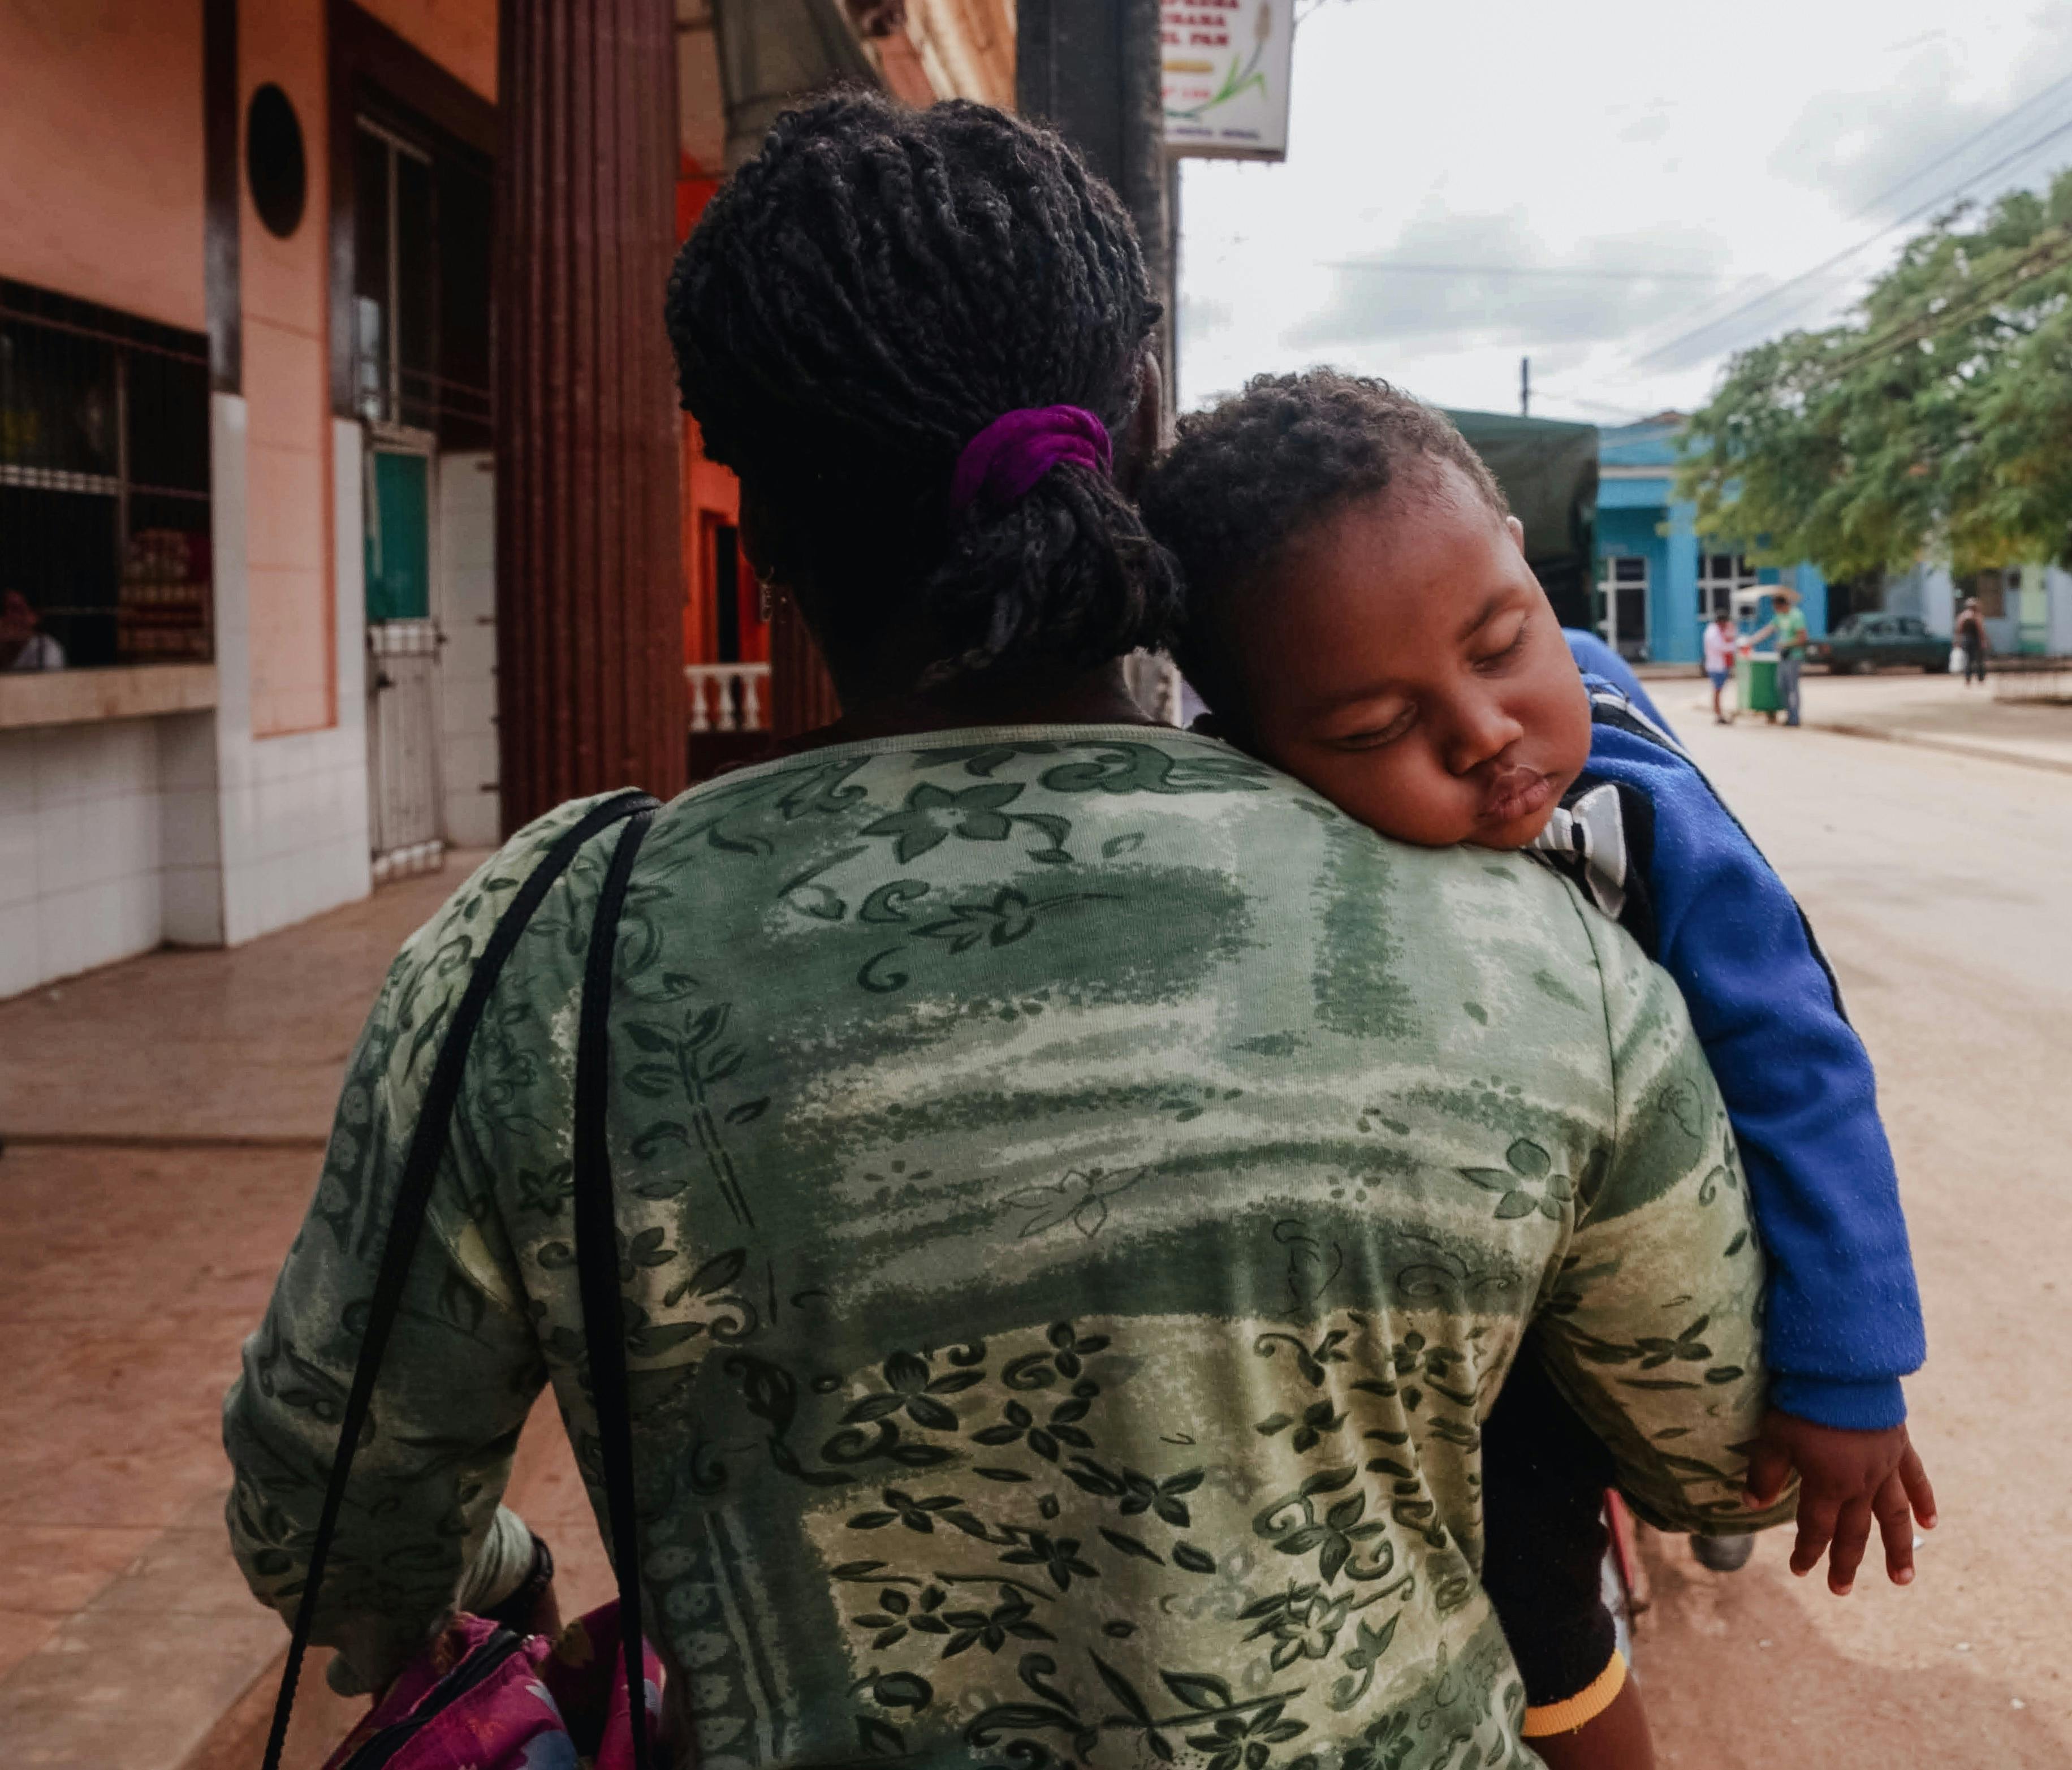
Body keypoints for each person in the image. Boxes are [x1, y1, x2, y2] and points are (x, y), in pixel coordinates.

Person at [223, 97, 1784, 1770]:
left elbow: (333, 1510)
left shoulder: (544, 958)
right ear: (1137, 427)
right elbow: (1719, 1454)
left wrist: (508, 1580)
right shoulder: (1519, 946)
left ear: (756, 528)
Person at [1141, 370, 1933, 1769]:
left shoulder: (1647, 808)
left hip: (1614, 1283)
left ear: (1516, 547)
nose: (1482, 733)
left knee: (1530, 1573)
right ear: (1255, 754)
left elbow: (1798, 1059)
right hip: (1408, 1285)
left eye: (1502, 644)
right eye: (1375, 730)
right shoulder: (1247, 838)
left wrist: (1848, 1369)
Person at [1746, 585, 1809, 725]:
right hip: (1783, 656)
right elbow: (1768, 630)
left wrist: (1786, 645)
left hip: (1793, 656)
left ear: (1782, 605)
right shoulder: (1780, 617)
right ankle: (1789, 714)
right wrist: (1751, 641)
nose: (1775, 609)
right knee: (1782, 686)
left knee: (1792, 687)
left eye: (1776, 606)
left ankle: (1795, 717)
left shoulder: (1796, 616)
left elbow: (1802, 638)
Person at [1, 590, 64, 670]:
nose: (8, 617)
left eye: (16, 609)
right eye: (3, 610)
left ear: (34, 617)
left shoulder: (47, 651)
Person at [1702, 607, 1739, 724]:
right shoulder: (1712, 633)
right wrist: (1735, 647)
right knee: (1717, 690)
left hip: (1722, 664)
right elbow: (1720, 647)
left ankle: (1719, 713)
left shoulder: (1721, 630)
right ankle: (1718, 714)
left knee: (1719, 690)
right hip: (1716, 665)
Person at [1954, 598, 1988, 686]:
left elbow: (1959, 630)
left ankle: (1968, 679)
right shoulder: (1977, 616)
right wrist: (1983, 641)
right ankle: (1980, 678)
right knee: (1979, 660)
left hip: (1966, 640)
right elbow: (1981, 631)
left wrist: (1957, 641)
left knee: (1968, 660)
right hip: (1975, 640)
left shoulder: (1963, 616)